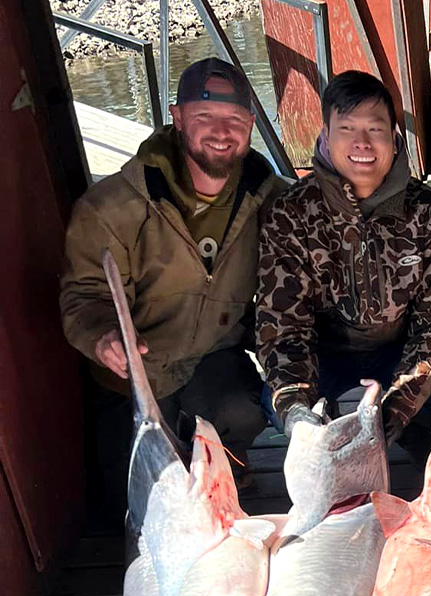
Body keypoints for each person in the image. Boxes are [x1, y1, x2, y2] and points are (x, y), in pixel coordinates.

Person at [60, 58, 283, 523]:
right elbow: (83, 297)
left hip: (212, 360)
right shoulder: (111, 208)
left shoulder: (270, 196)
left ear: (252, 124)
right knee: (131, 510)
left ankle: (226, 465)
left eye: (234, 120)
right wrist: (104, 338)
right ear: (177, 118)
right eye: (204, 118)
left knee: (243, 410)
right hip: (134, 381)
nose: (221, 132)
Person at [256, 71, 431, 456]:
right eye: (347, 128)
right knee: (277, 405)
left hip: (397, 351)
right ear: (326, 135)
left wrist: (397, 408)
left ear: (395, 137)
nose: (362, 143)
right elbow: (282, 326)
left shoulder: (425, 208)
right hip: (323, 356)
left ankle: (408, 429)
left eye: (375, 128)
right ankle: (325, 432)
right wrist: (298, 407)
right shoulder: (291, 211)